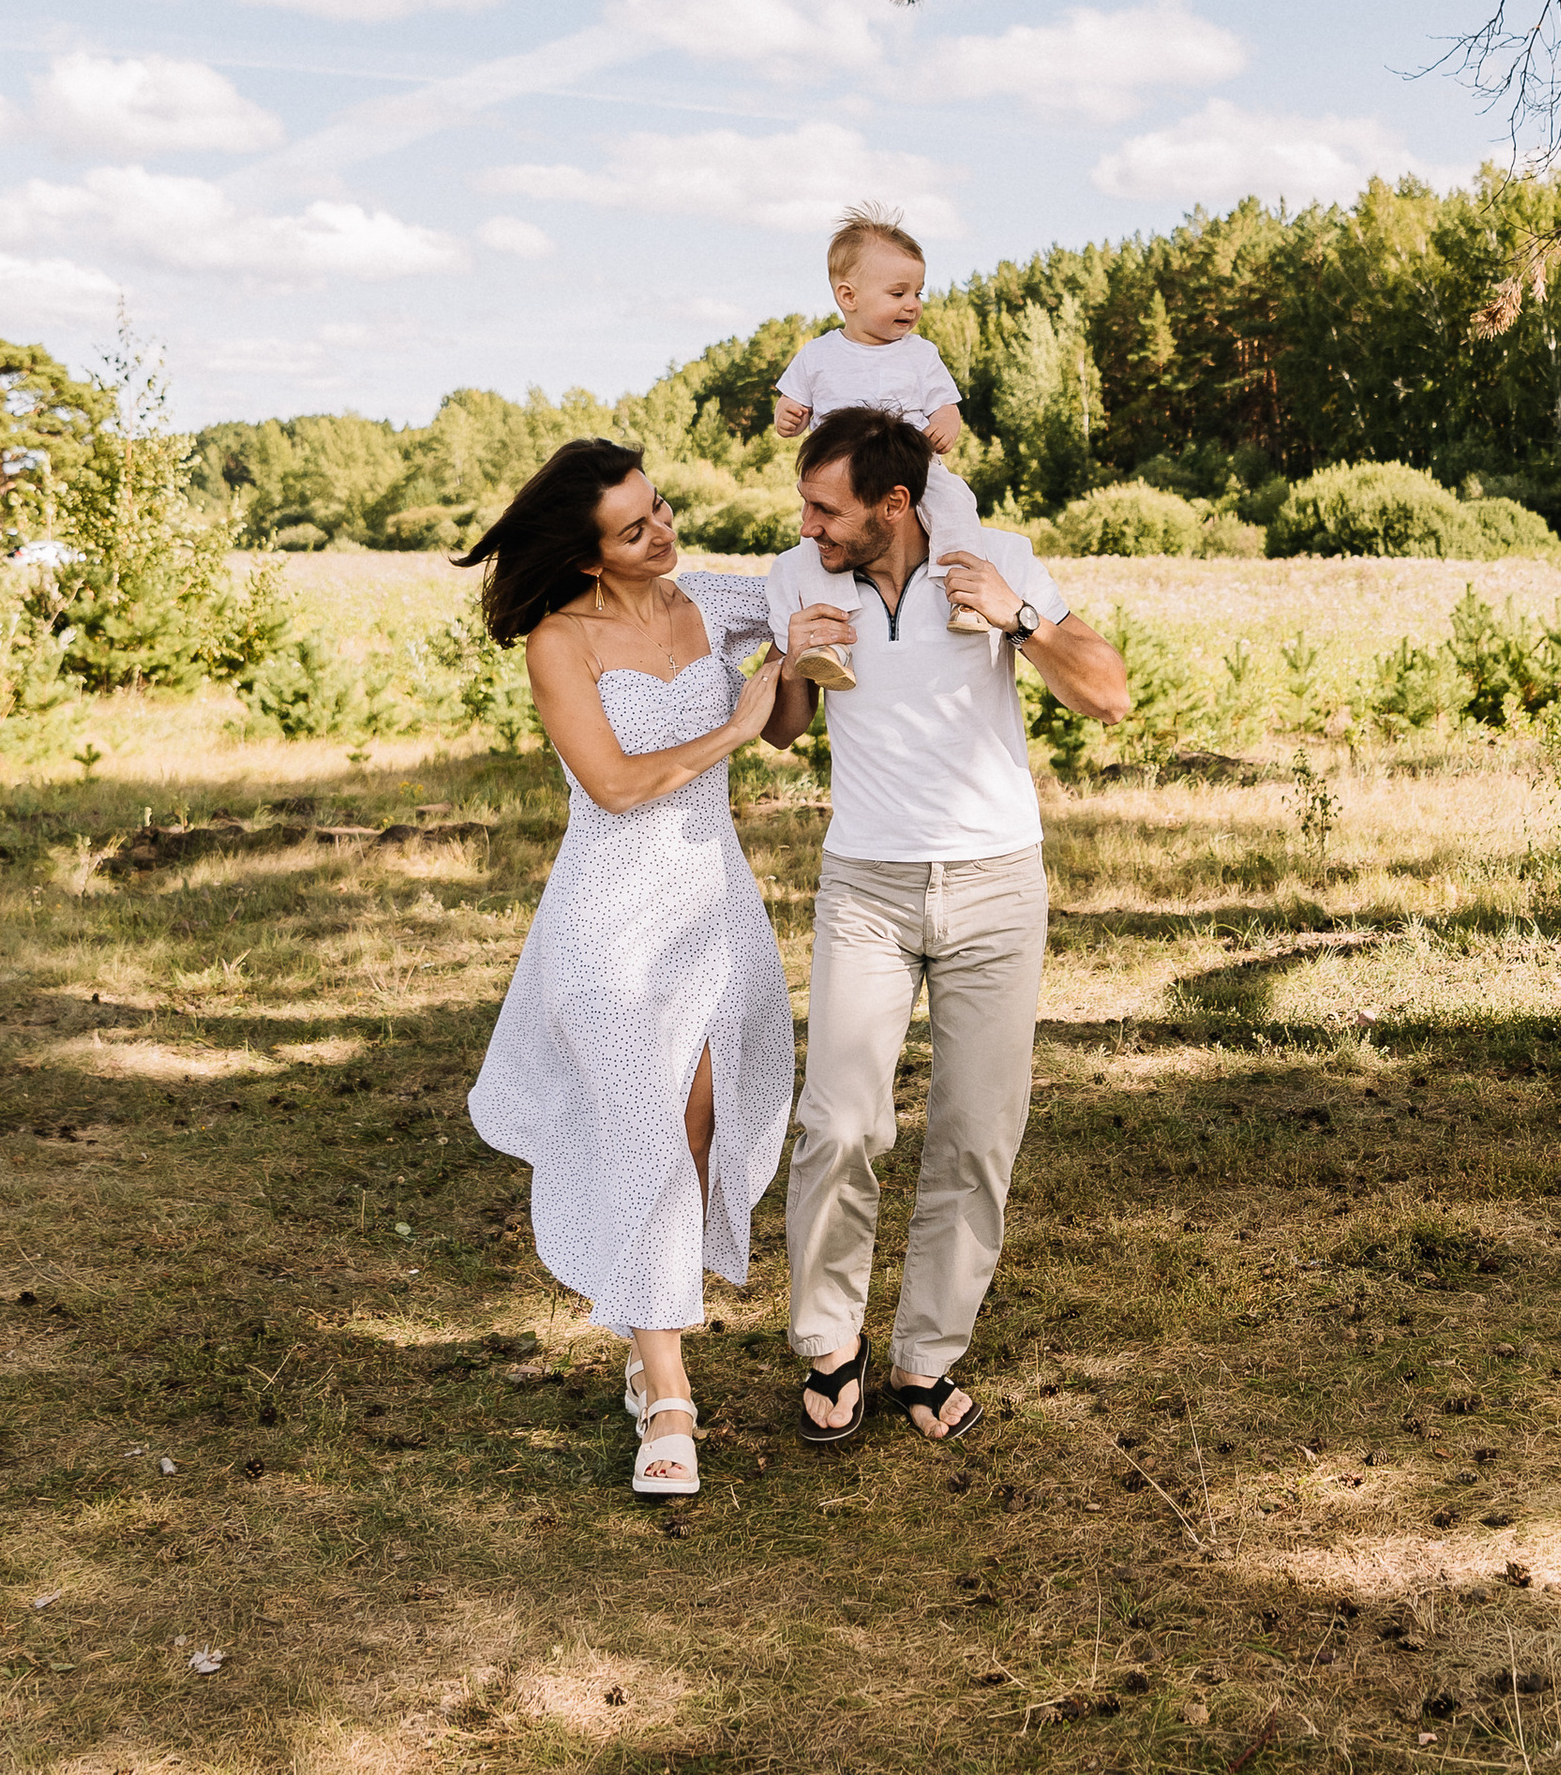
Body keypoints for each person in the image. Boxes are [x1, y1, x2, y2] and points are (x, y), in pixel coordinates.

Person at [768, 403, 1130, 1452]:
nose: (807, 526)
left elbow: (1107, 695)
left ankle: (925, 1356)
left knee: (975, 1133)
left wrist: (1022, 618)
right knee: (840, 1123)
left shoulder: (994, 559)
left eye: (826, 509)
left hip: (995, 887)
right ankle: (830, 1345)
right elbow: (786, 734)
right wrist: (789, 663)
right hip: (865, 889)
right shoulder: (797, 575)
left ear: (894, 503)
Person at [460, 440, 793, 1502]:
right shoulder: (560, 640)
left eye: (662, 508)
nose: (663, 533)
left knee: (698, 1124)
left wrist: (801, 652)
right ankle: (670, 1395)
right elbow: (609, 784)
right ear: (586, 555)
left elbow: (803, 618)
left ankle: (646, 1347)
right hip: (609, 917)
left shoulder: (711, 602)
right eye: (635, 529)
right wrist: (736, 726)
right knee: (647, 1125)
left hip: (712, 904)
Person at [763, 210, 989, 681]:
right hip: (843, 484)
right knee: (819, 552)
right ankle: (830, 643)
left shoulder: (921, 354)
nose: (912, 305)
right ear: (848, 297)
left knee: (956, 505)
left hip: (915, 468)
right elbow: (791, 403)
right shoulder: (819, 354)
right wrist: (788, 416)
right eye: (898, 293)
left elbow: (946, 405)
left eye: (918, 293)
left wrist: (946, 424)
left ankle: (965, 595)